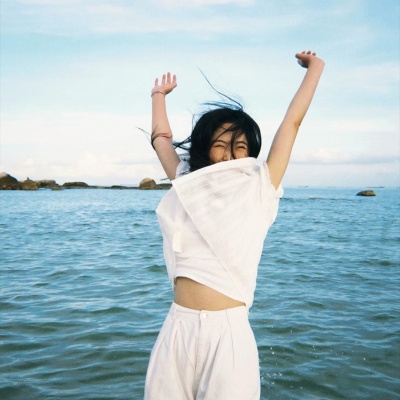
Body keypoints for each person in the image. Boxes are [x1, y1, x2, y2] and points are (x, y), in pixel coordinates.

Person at [144, 50, 325, 400]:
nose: (229, 154)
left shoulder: (260, 188)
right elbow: (161, 140)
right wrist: (157, 96)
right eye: (220, 145)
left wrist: (314, 69)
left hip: (228, 335)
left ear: (251, 152)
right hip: (177, 328)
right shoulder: (188, 182)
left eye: (240, 146)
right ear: (205, 148)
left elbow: (292, 123)